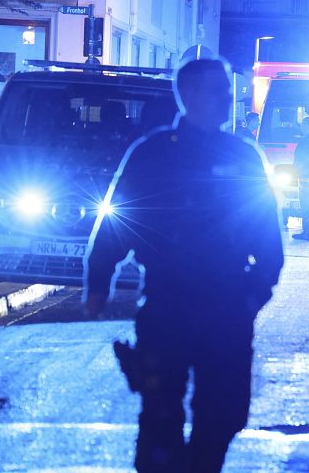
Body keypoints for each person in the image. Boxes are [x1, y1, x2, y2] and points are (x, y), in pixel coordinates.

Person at [83, 57, 284, 473]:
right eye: (219, 91)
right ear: (189, 95)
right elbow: (119, 222)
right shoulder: (154, 154)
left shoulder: (243, 157)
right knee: (160, 415)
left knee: (227, 413)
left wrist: (252, 295)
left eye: (229, 91)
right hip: (168, 303)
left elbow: (267, 237)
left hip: (227, 304)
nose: (229, 99)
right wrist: (98, 281)